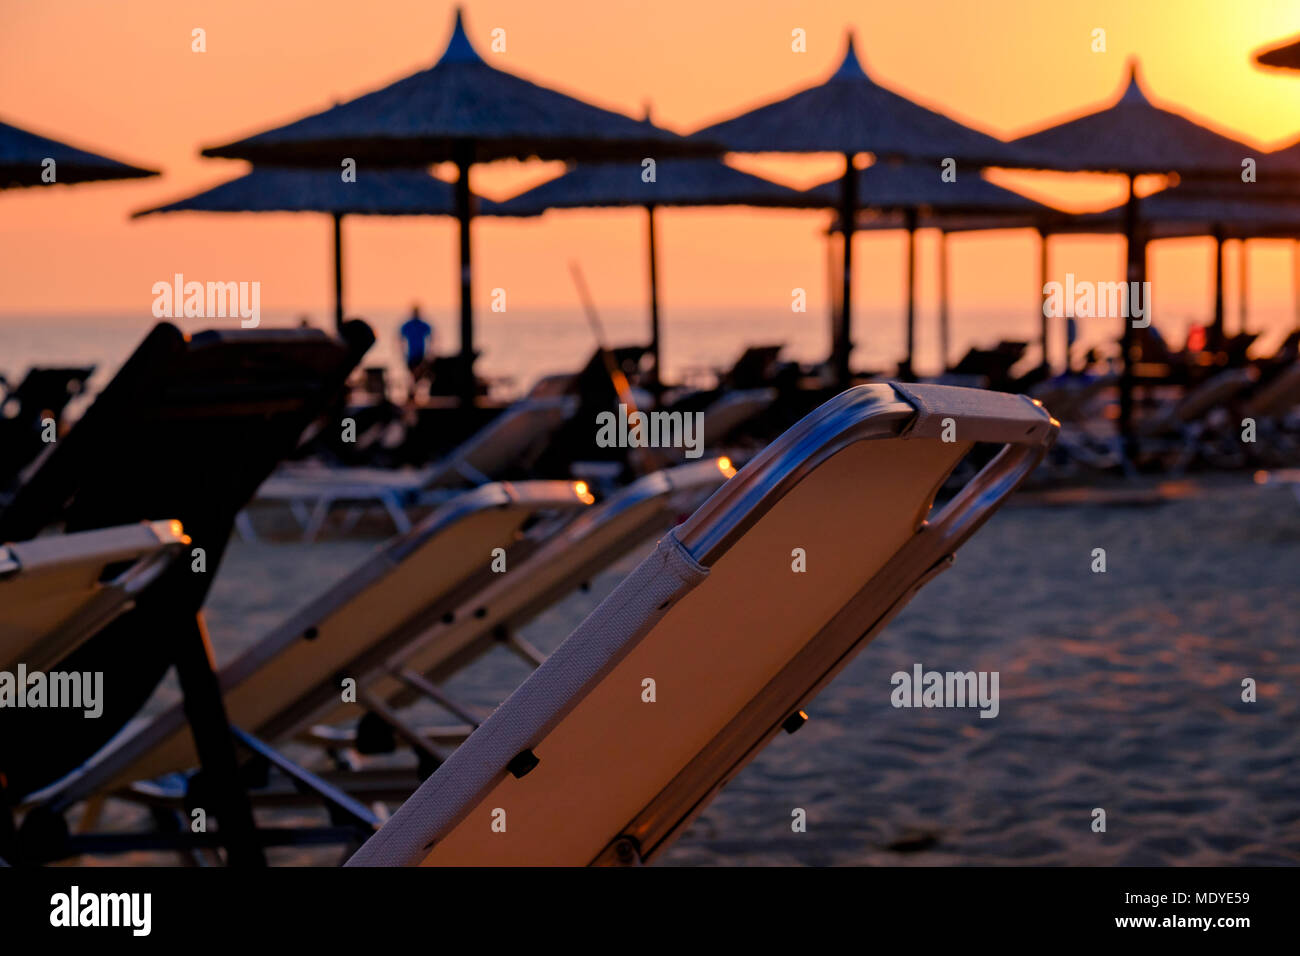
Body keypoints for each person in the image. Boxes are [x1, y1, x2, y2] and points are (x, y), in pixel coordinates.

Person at [399, 305, 433, 373]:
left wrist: (429, 353)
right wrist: (403, 354)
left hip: (421, 356)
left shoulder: (422, 325)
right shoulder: (408, 325)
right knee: (415, 375)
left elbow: (431, 338)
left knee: (420, 375)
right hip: (411, 356)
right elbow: (401, 340)